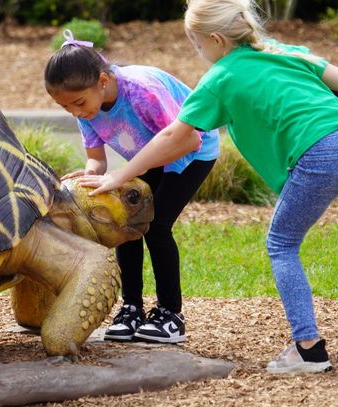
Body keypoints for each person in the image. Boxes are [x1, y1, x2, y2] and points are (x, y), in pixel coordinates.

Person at [77, 0, 338, 373]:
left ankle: (308, 349)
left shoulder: (220, 78)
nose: (197, 51)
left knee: (282, 243)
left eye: (196, 42)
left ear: (217, 41)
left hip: (320, 152)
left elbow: (174, 136)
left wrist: (120, 176)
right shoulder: (283, 50)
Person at [44, 29, 219, 344]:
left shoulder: (142, 92)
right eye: (67, 107)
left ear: (102, 81)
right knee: (122, 220)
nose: (76, 112)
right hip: (148, 158)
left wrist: (122, 175)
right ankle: (131, 308)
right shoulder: (87, 108)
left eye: (78, 103)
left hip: (193, 152)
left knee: (157, 227)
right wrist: (86, 179)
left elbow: (188, 139)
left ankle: (170, 315)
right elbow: (96, 161)